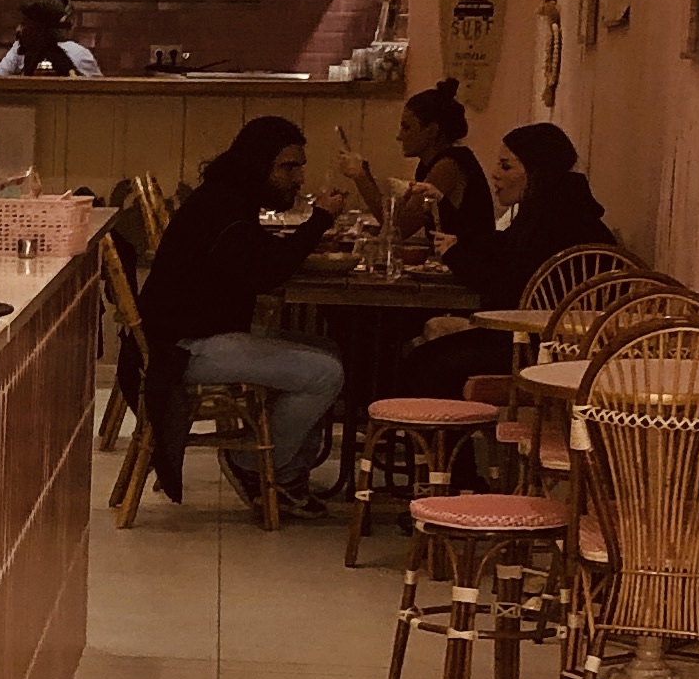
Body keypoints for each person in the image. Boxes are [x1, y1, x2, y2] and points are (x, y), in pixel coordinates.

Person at [135, 113, 345, 507]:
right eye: (288, 167)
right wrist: (319, 221)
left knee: (329, 351)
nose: (298, 178)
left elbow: (257, 261)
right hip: (184, 349)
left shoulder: (228, 197)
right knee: (325, 373)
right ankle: (252, 465)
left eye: (299, 167)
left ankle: (289, 473)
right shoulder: (225, 208)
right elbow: (266, 273)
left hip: (195, 335)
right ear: (258, 164)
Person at [411, 122, 626, 391]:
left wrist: (456, 255)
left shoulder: (555, 223)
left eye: (506, 166)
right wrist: (448, 216)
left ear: (536, 171)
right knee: (426, 354)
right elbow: (501, 247)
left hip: (548, 350)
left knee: (426, 362)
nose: (494, 174)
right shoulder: (558, 209)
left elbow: (505, 287)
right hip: (542, 340)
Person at [339, 83, 495, 280]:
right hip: (453, 266)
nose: (399, 136)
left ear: (431, 131)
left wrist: (360, 177)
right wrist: (366, 174)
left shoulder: (448, 165)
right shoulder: (428, 165)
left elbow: (399, 227)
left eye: (407, 127)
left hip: (470, 272)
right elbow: (398, 213)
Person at [0, 0, 101, 78]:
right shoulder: (22, 51)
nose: (19, 30)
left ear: (41, 29)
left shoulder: (77, 55)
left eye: (26, 25)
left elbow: (99, 92)